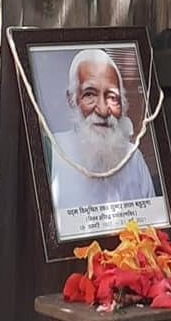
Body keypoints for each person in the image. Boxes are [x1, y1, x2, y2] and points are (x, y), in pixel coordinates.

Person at [50, 48, 156, 209]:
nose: (103, 110)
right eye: (90, 94)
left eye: (112, 97)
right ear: (72, 100)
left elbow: (153, 226)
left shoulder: (133, 157)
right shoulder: (52, 151)